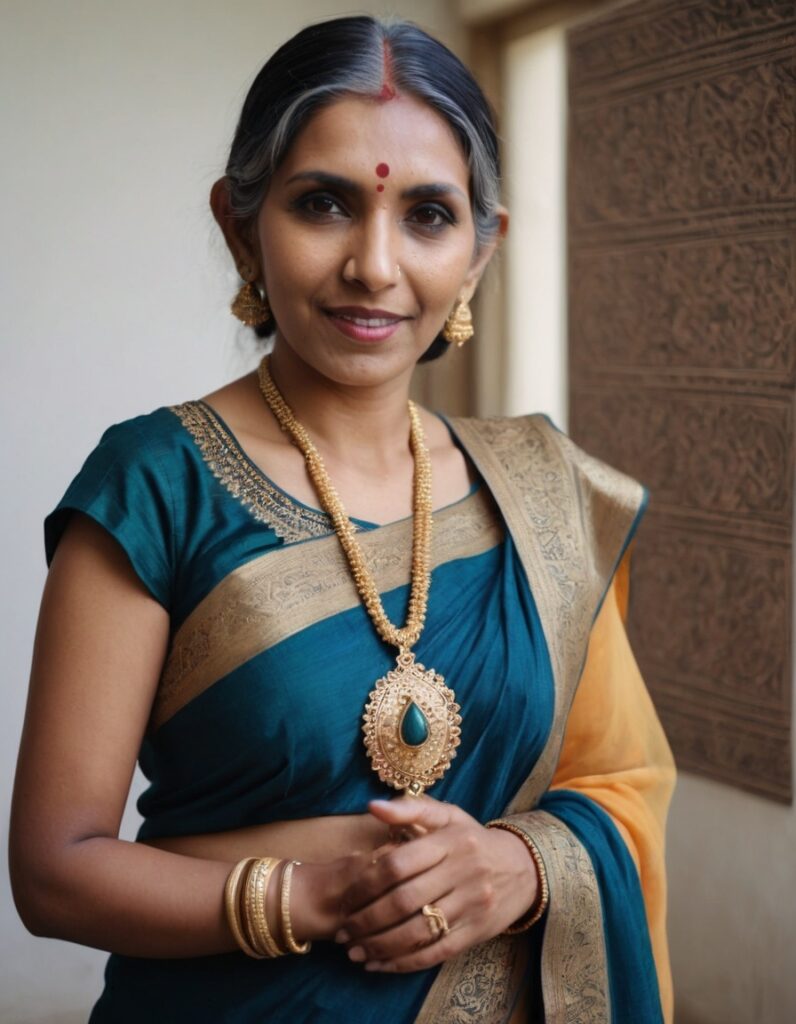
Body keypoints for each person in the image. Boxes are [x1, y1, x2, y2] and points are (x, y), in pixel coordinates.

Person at [10, 15, 675, 1024]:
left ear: (481, 250)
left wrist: (518, 864)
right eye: (322, 204)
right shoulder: (154, 482)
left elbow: (616, 787)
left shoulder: (543, 496)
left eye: (426, 215)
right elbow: (55, 872)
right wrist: (311, 895)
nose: (373, 265)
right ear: (241, 225)